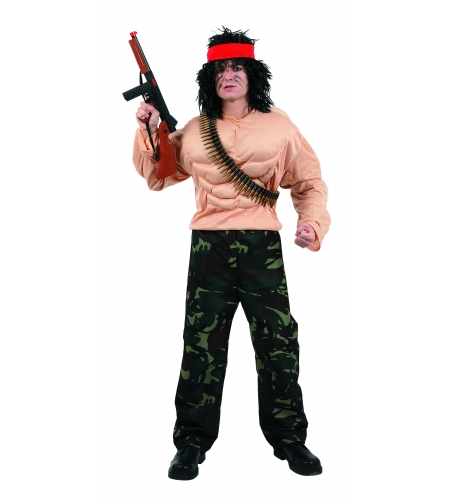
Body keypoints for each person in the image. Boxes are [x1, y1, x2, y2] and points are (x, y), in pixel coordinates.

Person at [132, 27, 331, 480]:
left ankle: (289, 439)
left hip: (262, 246)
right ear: (210, 79)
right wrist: (149, 130)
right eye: (220, 69)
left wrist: (312, 224)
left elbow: (309, 182)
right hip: (210, 247)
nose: (229, 75)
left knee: (278, 343)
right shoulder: (194, 130)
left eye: (237, 67)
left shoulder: (280, 125)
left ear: (252, 75)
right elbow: (158, 177)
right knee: (201, 346)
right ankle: (190, 444)